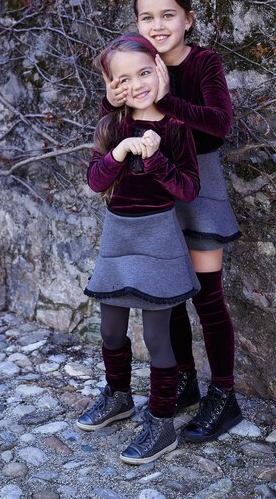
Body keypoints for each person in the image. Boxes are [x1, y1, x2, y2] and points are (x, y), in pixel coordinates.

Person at [102, 0, 243, 443]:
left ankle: (223, 395)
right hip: (155, 202)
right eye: (147, 16)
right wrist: (111, 102)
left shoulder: (203, 63)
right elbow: (115, 133)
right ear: (137, 21)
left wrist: (169, 99)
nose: (158, 25)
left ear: (188, 18)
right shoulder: (136, 63)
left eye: (168, 15)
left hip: (197, 195)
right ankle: (183, 381)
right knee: (169, 296)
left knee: (207, 296)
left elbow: (219, 126)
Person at [77, 33, 201, 464]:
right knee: (111, 328)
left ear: (160, 69)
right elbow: (95, 181)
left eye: (144, 72)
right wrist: (122, 151)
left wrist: (154, 159)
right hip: (117, 237)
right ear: (112, 85)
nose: (136, 84)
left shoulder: (177, 128)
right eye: (123, 78)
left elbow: (187, 189)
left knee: (156, 337)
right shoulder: (114, 125)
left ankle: (163, 422)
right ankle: (118, 397)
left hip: (158, 239)